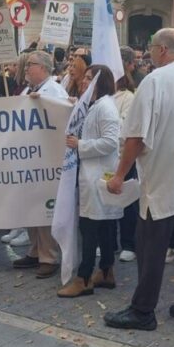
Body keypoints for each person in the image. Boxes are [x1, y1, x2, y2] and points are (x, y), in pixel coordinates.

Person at [103, 28, 174, 331]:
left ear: (163, 50)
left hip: (164, 175)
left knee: (150, 244)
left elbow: (136, 135)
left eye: (152, 48)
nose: (150, 55)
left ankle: (142, 310)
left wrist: (118, 174)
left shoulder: (155, 81)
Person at [57, 64, 122, 298]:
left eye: (88, 78)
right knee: (104, 225)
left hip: (97, 175)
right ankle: (106, 271)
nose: (83, 81)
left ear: (98, 82)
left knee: (90, 226)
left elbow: (111, 142)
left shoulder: (105, 108)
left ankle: (84, 278)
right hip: (92, 174)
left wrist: (80, 145)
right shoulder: (94, 106)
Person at [13, 51, 69, 278]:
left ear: (44, 68)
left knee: (45, 210)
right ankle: (35, 251)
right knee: (31, 207)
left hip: (47, 160)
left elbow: (61, 119)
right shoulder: (29, 90)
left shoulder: (54, 91)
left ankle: (49, 256)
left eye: (31, 65)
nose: (26, 68)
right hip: (30, 159)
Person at [115, 46, 138, 262]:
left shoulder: (128, 98)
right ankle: (110, 241)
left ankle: (129, 242)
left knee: (127, 200)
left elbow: (125, 127)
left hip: (123, 156)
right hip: (104, 157)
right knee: (106, 199)